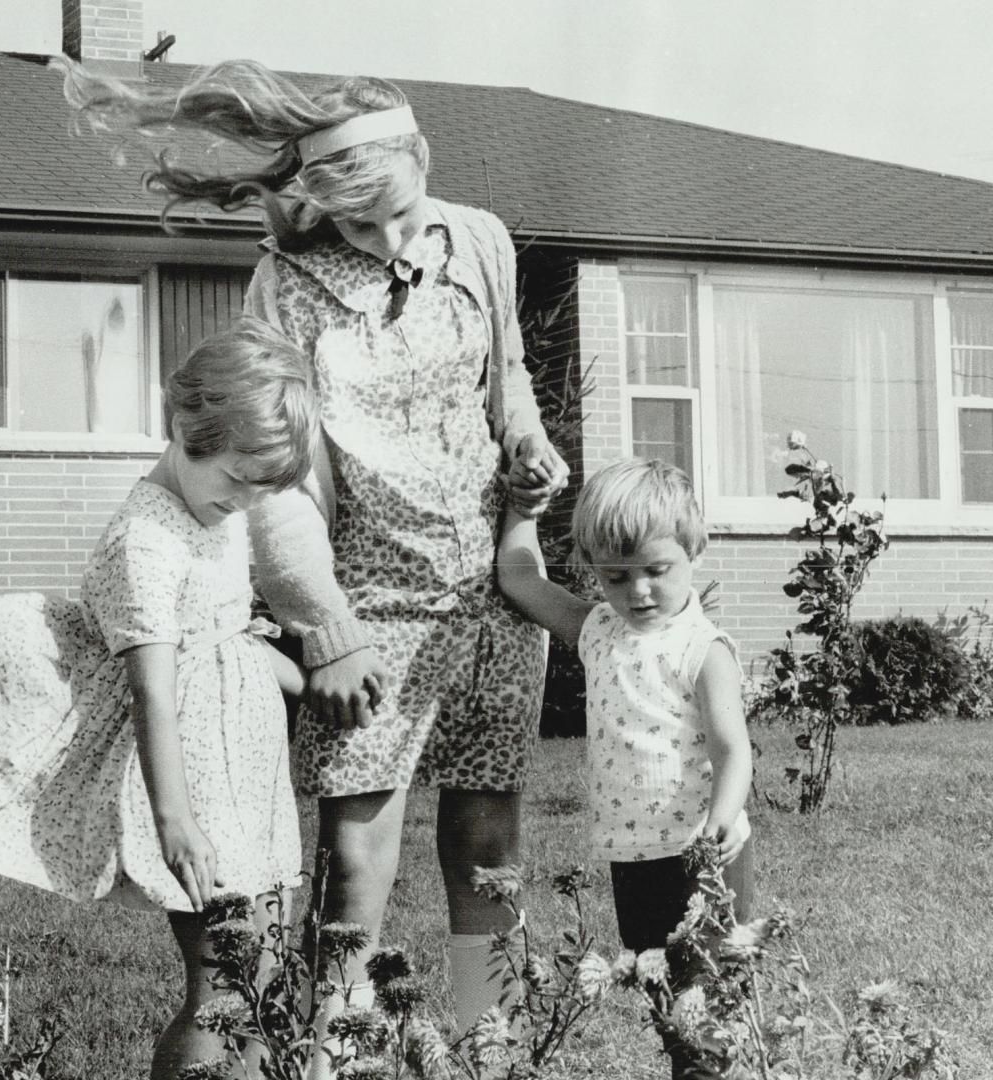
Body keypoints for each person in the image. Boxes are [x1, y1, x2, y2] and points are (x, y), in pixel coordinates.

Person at [58, 57, 570, 1049]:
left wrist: (526, 437)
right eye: (357, 223)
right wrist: (325, 629)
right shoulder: (285, 284)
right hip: (365, 599)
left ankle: (483, 1028)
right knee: (354, 846)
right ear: (318, 204)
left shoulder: (478, 240)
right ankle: (338, 1034)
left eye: (396, 213)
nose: (384, 239)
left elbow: (503, 370)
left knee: (487, 835)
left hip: (494, 593)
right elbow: (281, 480)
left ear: (423, 160)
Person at [0, 316, 318, 1079]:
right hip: (198, 789)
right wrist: (176, 822)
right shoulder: (145, 543)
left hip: (246, 781)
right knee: (224, 985)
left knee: (261, 974)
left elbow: (223, 635)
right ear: (183, 429)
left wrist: (306, 681)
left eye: (261, 488)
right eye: (238, 479)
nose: (245, 501)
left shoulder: (212, 515)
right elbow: (153, 695)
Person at [497, 457, 754, 1080]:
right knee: (667, 1009)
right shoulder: (598, 631)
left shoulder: (703, 649)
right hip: (633, 855)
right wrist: (523, 508)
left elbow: (732, 748)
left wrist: (720, 824)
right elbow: (522, 582)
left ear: (694, 548)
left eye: (655, 571)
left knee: (713, 1012)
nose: (637, 592)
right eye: (615, 576)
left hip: (703, 857)